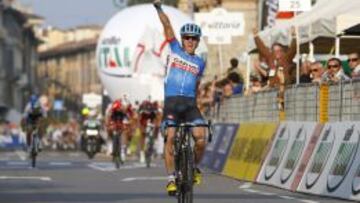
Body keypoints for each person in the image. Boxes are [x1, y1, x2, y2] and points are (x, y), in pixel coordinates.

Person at [154, 0, 207, 195]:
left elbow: (198, 85)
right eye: (187, 38)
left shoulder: (200, 63)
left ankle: (192, 167)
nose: (190, 41)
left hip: (190, 104)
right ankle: (170, 178)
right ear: (182, 40)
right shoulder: (175, 50)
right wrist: (158, 7)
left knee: (201, 138)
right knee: (170, 137)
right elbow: (167, 25)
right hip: (172, 103)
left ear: (198, 41)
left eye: (194, 38)